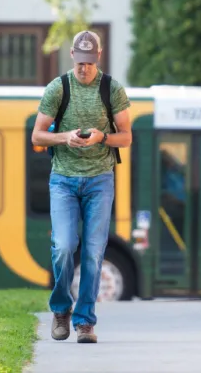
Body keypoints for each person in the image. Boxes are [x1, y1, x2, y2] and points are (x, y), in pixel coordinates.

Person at [31, 30, 132, 344]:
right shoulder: (58, 89)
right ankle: (61, 308)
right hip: (63, 179)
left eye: (90, 62)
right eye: (80, 61)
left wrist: (103, 137)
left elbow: (126, 138)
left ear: (97, 58)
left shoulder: (112, 89)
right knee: (63, 246)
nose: (85, 68)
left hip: (100, 180)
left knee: (92, 251)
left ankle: (85, 321)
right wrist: (65, 136)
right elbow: (37, 136)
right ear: (72, 55)